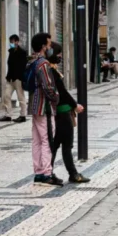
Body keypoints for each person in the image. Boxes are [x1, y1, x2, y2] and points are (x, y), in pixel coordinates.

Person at [46, 42, 91, 184]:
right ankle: (73, 174)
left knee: (55, 145)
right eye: (58, 53)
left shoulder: (48, 70)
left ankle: (48, 172)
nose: (60, 56)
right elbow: (63, 92)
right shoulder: (52, 72)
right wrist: (75, 105)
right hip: (64, 113)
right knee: (66, 145)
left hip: (57, 112)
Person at [28, 32, 63, 186]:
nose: (50, 48)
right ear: (43, 46)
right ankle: (46, 173)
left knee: (37, 140)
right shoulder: (43, 64)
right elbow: (48, 86)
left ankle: (38, 172)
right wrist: (56, 98)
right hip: (45, 107)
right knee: (47, 140)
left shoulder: (32, 61)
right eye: (48, 45)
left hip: (35, 105)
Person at [1, 34, 29, 123]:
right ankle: (8, 115)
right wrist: (8, 77)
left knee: (21, 97)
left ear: (17, 42)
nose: (11, 44)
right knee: (6, 96)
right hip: (10, 78)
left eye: (12, 42)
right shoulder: (11, 51)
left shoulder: (22, 52)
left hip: (18, 79)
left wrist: (19, 77)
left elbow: (23, 66)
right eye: (10, 42)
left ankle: (23, 115)